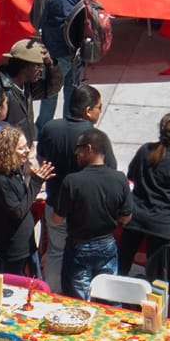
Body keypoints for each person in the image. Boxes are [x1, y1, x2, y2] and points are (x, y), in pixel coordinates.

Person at [53, 128, 132, 300]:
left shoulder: (72, 181)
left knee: (78, 302)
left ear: (89, 148)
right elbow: (126, 217)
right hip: (107, 245)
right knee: (108, 297)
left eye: (79, 148)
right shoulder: (119, 179)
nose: (76, 153)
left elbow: (57, 218)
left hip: (78, 248)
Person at [36, 83, 102, 288]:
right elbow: (104, 172)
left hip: (55, 204)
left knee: (56, 252)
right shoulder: (94, 138)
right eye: (98, 107)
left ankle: (54, 295)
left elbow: (41, 160)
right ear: (88, 110)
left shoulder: (49, 128)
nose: (99, 111)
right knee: (83, 255)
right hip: (82, 211)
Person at [125, 113, 170, 278]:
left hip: (135, 217)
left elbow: (131, 174)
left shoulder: (145, 150)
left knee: (122, 264)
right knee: (156, 273)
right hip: (160, 223)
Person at [31, 0, 89, 126]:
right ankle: (69, 126)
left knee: (50, 91)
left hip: (56, 50)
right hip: (80, 48)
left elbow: (36, 21)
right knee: (72, 89)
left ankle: (43, 129)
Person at [0, 124, 44, 276]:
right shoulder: (0, 180)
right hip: (14, 247)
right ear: (8, 152)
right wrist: (36, 184)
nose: (27, 151)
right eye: (21, 148)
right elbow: (17, 211)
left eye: (26, 146)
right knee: (14, 286)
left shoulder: (16, 169)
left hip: (28, 241)